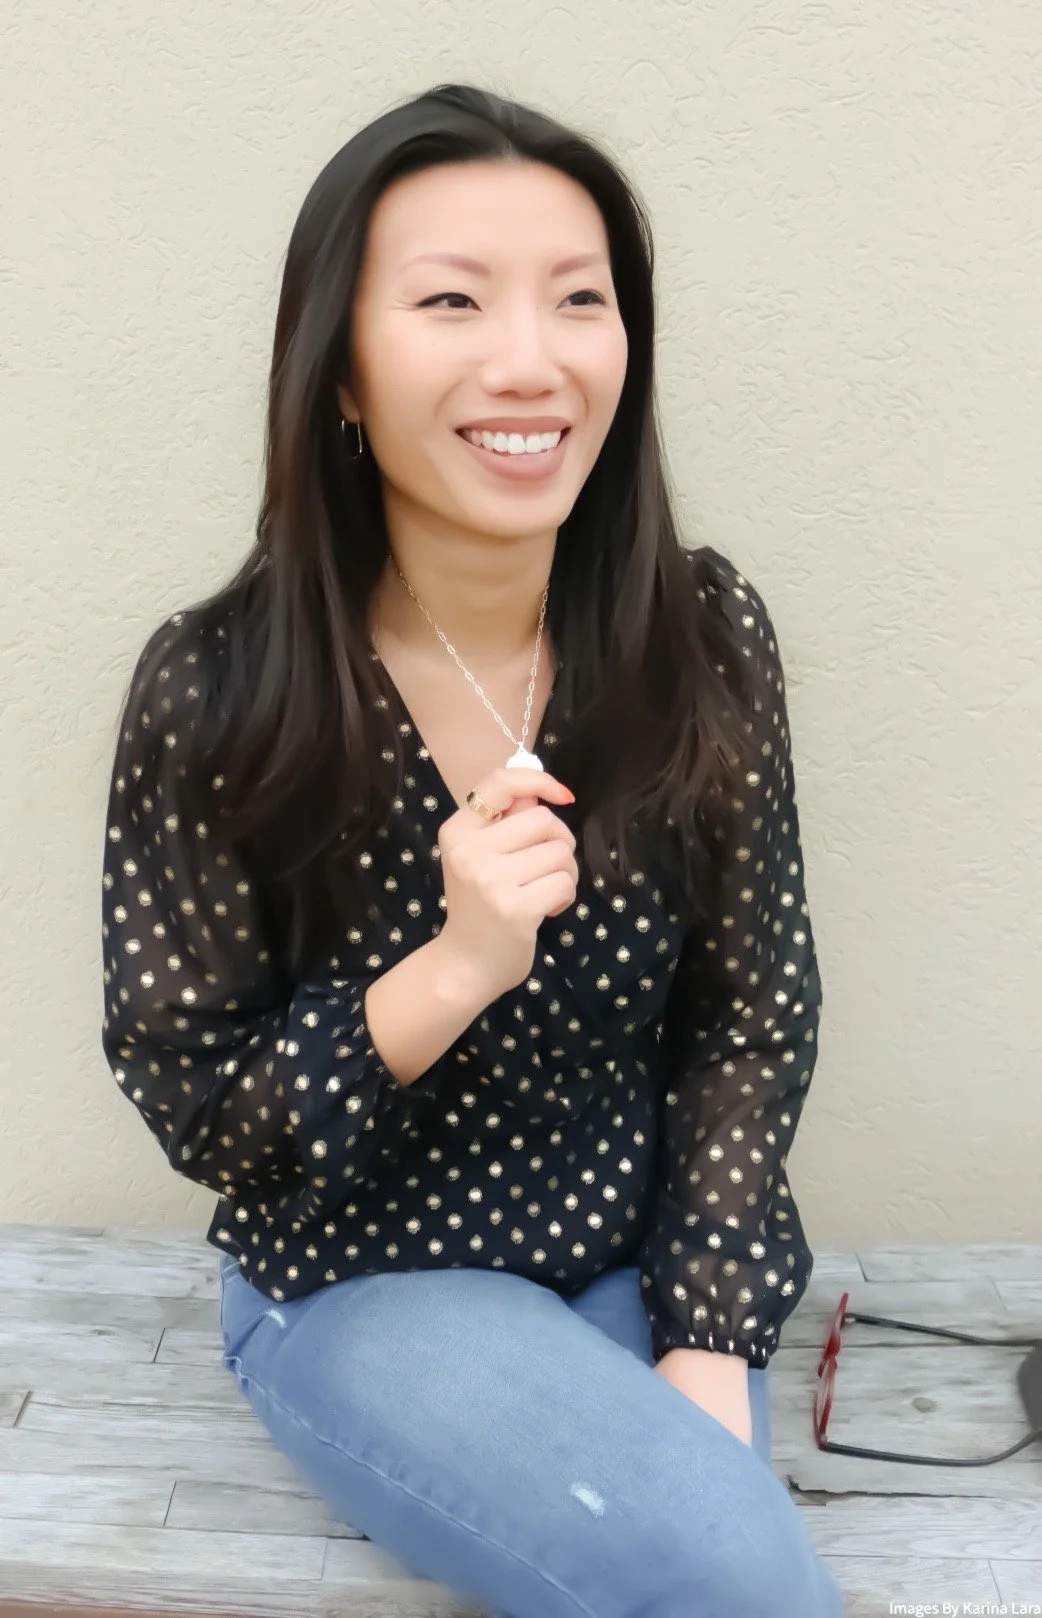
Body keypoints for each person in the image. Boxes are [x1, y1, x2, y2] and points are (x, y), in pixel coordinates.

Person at [100, 81, 844, 1618]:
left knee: (703, 1563)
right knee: (731, 1581)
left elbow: (749, 1015)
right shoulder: (221, 688)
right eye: (450, 300)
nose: (530, 358)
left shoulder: (701, 634)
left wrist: (705, 1335)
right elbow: (201, 1109)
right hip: (367, 1280)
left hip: (633, 1252)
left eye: (579, 299)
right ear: (343, 377)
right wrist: (452, 969)